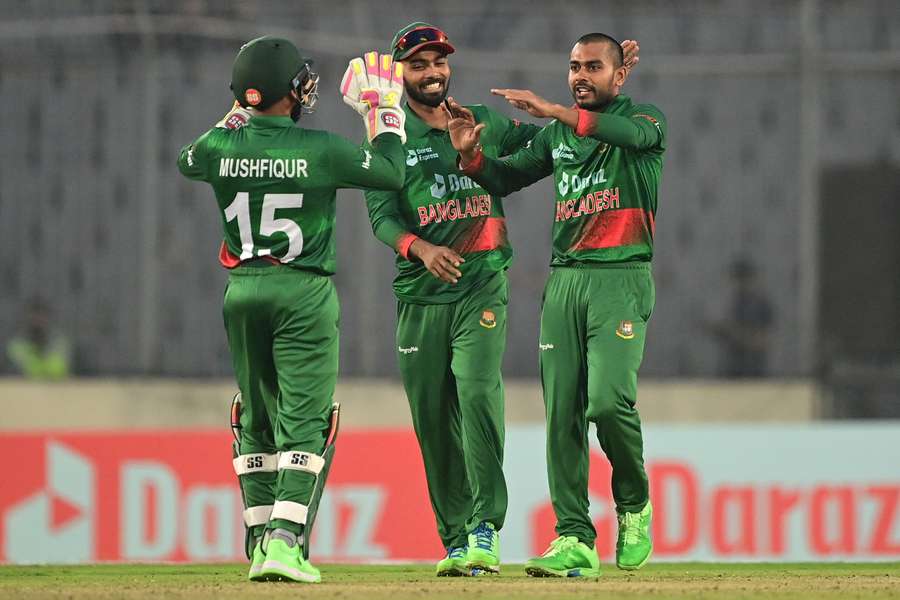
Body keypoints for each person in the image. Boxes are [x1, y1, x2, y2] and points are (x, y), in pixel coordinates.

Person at [364, 23, 639, 577]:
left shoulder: (484, 121)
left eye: (439, 62)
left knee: (476, 393)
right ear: (400, 74)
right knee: (433, 419)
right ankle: (457, 540)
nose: (433, 72)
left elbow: (551, 144)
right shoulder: (386, 143)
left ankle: (485, 526)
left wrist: (611, 88)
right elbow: (381, 218)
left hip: (482, 281)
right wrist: (419, 249)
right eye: (418, 64)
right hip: (421, 294)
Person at [177, 36, 407, 583]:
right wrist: (385, 113)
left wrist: (237, 114)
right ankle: (285, 541)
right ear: (288, 91)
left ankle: (259, 542)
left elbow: (187, 158)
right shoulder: (320, 148)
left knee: (256, 417)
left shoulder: (216, 150)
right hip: (302, 293)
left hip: (242, 293)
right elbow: (392, 172)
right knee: (305, 421)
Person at [447, 32, 665, 577]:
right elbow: (509, 175)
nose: (580, 76)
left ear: (620, 76)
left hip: (621, 278)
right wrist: (471, 156)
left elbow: (621, 132)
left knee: (609, 404)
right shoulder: (558, 137)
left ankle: (634, 502)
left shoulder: (647, 122)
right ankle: (574, 537)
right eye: (573, 67)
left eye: (593, 67)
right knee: (562, 414)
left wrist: (554, 110)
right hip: (565, 282)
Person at [706, 258, 774, 377]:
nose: (738, 284)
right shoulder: (729, 304)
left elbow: (763, 341)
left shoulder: (761, 305)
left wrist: (734, 333)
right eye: (735, 279)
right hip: (729, 371)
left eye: (742, 279)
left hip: (753, 372)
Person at [6, 298, 70, 380]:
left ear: (48, 318)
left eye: (42, 317)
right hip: (23, 389)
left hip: (56, 389)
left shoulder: (59, 343)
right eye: (34, 317)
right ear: (27, 318)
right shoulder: (17, 345)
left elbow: (59, 371)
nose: (38, 321)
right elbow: (14, 374)